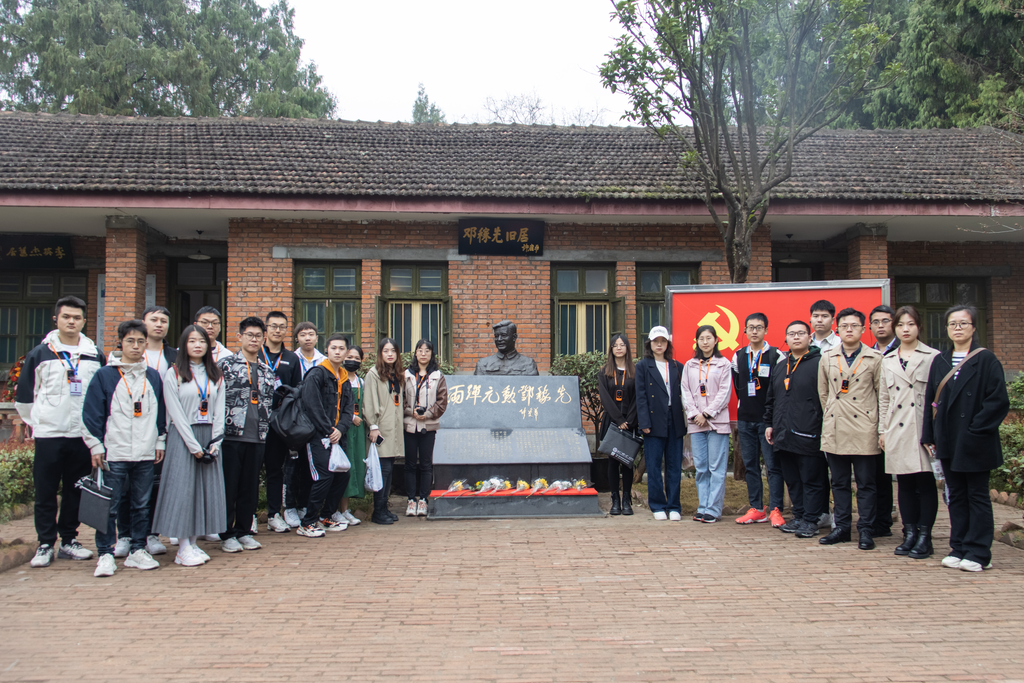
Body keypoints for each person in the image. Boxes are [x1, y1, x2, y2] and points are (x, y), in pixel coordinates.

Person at [16, 296, 105, 568]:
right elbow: (25, 397)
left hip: (81, 436)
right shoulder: (40, 353)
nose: (71, 322)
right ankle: (45, 543)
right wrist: (39, 422)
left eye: (77, 317)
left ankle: (69, 540)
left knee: (75, 491)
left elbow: (100, 396)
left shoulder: (94, 354)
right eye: (66, 316)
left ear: (84, 321)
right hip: (49, 435)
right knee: (45, 491)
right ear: (56, 319)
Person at [922, 305, 1010, 572]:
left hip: (975, 440)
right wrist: (929, 435)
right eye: (952, 324)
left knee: (977, 495)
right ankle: (958, 547)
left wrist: (975, 430)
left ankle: (979, 552)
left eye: (963, 323)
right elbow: (931, 400)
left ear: (973, 327)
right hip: (947, 439)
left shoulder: (986, 359)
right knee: (956, 495)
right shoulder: (940, 360)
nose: (957, 328)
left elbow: (997, 401)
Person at [82, 320, 167, 577]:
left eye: (141, 341)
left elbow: (160, 412)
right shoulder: (105, 375)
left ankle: (138, 550)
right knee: (110, 505)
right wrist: (96, 446)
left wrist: (159, 440)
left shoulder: (152, 376)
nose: (136, 346)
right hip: (114, 451)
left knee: (141, 504)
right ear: (121, 343)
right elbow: (92, 413)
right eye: (130, 341)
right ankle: (105, 553)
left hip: (145, 452)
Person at [151, 325, 227, 567]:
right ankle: (182, 547)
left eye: (202, 341)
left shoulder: (216, 374)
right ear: (183, 345)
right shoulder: (174, 373)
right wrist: (194, 446)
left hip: (209, 438)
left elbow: (219, 411)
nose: (197, 345)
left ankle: (193, 543)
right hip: (183, 437)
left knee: (204, 491)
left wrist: (216, 442)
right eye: (192, 341)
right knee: (183, 491)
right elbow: (175, 414)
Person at [112, 305, 178, 558]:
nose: (159, 324)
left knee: (153, 485)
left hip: (160, 428)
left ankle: (151, 533)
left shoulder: (174, 355)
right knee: (125, 487)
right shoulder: (117, 361)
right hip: (124, 431)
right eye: (154, 320)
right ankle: (125, 535)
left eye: (164, 320)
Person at [818, 307, 884, 550]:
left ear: (863, 329)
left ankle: (866, 529)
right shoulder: (828, 357)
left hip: (864, 427)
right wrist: (833, 413)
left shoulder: (875, 358)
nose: (849, 330)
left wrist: (879, 426)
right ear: (838, 329)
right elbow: (823, 392)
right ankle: (842, 528)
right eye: (844, 326)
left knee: (866, 483)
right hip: (836, 426)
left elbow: (881, 394)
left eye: (854, 326)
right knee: (839, 482)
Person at [878, 306, 939, 559]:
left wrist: (935, 432)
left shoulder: (933, 356)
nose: (905, 329)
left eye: (911, 324)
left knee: (925, 483)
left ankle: (925, 537)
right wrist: (882, 430)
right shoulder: (888, 359)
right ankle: (910, 533)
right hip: (897, 428)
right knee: (903, 483)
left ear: (919, 327)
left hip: (922, 428)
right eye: (901, 324)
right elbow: (884, 398)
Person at [217, 316, 276, 553]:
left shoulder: (266, 370)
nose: (254, 339)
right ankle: (226, 533)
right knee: (229, 487)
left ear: (264, 339)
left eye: (258, 336)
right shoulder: (225, 365)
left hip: (257, 436)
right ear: (239, 336)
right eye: (249, 335)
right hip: (231, 436)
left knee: (249, 488)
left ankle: (243, 530)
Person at [764, 321, 827, 539]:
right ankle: (798, 516)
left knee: (811, 479)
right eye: (792, 334)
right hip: (783, 434)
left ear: (810, 337)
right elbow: (772, 398)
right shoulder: (781, 365)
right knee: (792, 480)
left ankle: (812, 520)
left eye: (801, 333)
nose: (796, 337)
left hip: (809, 432)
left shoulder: (819, 363)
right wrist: (769, 423)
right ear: (786, 338)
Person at [296, 334, 355, 537]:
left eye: (341, 348)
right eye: (334, 348)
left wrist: (340, 429)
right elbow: (312, 406)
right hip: (318, 436)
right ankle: (307, 522)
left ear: (346, 352)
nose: (337, 352)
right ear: (326, 350)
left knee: (343, 475)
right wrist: (329, 430)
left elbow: (348, 409)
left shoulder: (344, 378)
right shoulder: (317, 374)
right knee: (324, 476)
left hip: (337, 437)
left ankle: (326, 516)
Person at [731, 313, 786, 527]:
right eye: (751, 327)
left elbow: (780, 389)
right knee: (751, 466)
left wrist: (772, 419)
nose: (754, 331)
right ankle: (757, 508)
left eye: (759, 327)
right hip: (746, 419)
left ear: (766, 330)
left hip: (768, 421)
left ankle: (775, 509)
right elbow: (738, 385)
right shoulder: (738, 356)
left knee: (773, 466)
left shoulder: (776, 355)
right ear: (745, 330)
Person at [681, 325, 733, 523]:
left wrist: (707, 414)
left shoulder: (724, 364)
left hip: (717, 423)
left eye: (709, 338)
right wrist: (695, 414)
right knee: (701, 467)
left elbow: (725, 393)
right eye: (701, 338)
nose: (705, 342)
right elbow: (685, 391)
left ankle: (713, 509)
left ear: (716, 340)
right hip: (696, 424)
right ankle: (703, 506)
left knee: (716, 468)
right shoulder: (690, 365)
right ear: (697, 341)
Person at [634, 326, 686, 521]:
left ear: (667, 344)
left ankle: (674, 506)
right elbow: (640, 397)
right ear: (650, 344)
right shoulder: (642, 366)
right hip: (653, 420)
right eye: (656, 341)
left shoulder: (677, 366)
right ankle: (657, 505)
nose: (659, 345)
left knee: (674, 465)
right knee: (654, 465)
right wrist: (644, 422)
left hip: (675, 418)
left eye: (663, 341)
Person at [282, 321, 326, 528]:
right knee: (292, 464)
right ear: (296, 338)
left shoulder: (324, 361)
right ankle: (289, 506)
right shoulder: (291, 359)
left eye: (311, 334)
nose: (307, 338)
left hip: (316, 420)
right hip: (295, 420)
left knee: (311, 465)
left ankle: (304, 506)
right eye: (303, 334)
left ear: (317, 338)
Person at [261, 311, 301, 533]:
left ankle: (274, 514)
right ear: (266, 328)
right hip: (255, 420)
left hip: (279, 422)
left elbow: (297, 391)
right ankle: (247, 516)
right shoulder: (255, 353)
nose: (277, 330)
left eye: (282, 327)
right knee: (250, 470)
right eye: (273, 326)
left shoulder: (291, 358)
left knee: (275, 469)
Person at [403, 339, 449, 517]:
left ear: (432, 354)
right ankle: (410, 500)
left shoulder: (438, 376)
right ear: (415, 353)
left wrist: (428, 414)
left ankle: (423, 499)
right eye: (420, 350)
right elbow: (399, 399)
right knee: (409, 464)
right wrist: (411, 411)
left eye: (427, 351)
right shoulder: (406, 375)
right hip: (409, 425)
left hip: (428, 426)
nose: (423, 354)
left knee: (426, 464)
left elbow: (442, 401)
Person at [364, 338, 405, 525]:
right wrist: (373, 425)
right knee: (383, 470)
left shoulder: (396, 375)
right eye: (386, 351)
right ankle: (378, 511)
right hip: (380, 429)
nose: (390, 354)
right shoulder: (373, 374)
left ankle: (383, 508)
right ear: (380, 353)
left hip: (393, 429)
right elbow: (369, 402)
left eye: (393, 351)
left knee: (388, 469)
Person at [596, 334, 638, 516]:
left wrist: (629, 420)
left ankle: (626, 500)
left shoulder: (635, 371)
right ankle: (615, 500)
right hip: (612, 422)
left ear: (627, 348)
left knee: (627, 462)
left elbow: (638, 397)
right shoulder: (604, 371)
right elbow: (605, 398)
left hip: (630, 422)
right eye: (615, 345)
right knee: (613, 462)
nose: (619, 348)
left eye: (622, 345)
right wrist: (619, 420)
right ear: (611, 349)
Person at [869, 304, 898, 539]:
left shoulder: (902, 350)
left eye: (885, 321)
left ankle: (914, 527)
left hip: (899, 419)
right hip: (873, 421)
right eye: (876, 322)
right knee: (878, 474)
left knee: (908, 477)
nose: (880, 326)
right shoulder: (869, 353)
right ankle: (881, 521)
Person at [338, 345, 366, 526]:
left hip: (358, 430)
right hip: (343, 429)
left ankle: (345, 510)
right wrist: (351, 417)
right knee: (341, 467)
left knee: (353, 466)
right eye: (349, 357)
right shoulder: (338, 378)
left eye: (356, 358)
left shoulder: (361, 382)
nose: (352, 361)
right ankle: (334, 510)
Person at [473, 320, 539, 375]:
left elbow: (533, 385)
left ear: (514, 337)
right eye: (496, 336)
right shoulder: (483, 364)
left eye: (504, 335)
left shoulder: (528, 363)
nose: (499, 339)